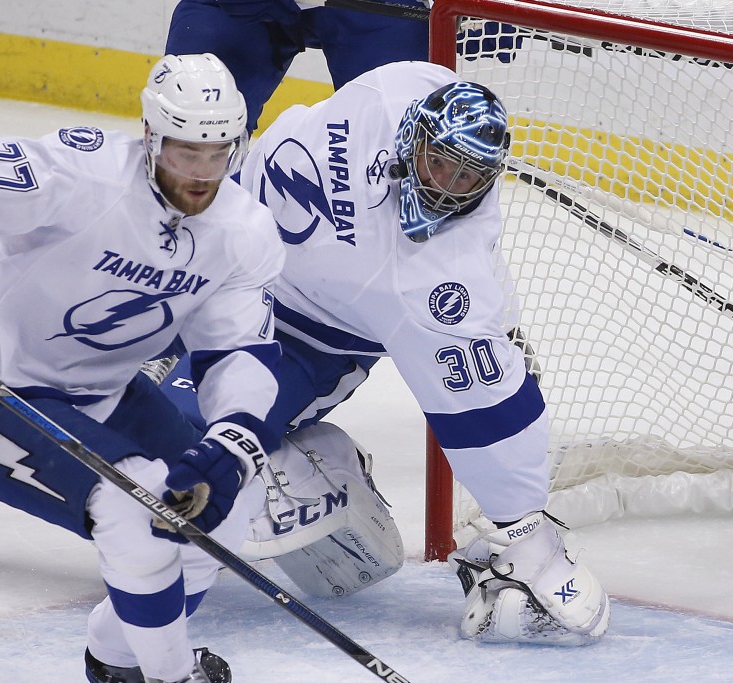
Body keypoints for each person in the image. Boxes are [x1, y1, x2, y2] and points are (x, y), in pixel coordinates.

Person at [158, 59, 612, 645]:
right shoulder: (394, 89)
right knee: (82, 368)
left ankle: (318, 470)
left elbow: (486, 412)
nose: (444, 186)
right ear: (411, 137)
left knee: (171, 457)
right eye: (438, 162)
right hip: (212, 256)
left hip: (301, 338)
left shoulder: (444, 280)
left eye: (466, 178)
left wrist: (525, 532)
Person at [0, 53, 285, 683]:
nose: (203, 174)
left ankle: (120, 660)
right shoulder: (86, 172)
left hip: (106, 391)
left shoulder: (244, 230)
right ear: (151, 136)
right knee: (136, 513)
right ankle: (171, 676)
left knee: (232, 499)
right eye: (187, 153)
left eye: (220, 154)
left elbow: (240, 351)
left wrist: (234, 434)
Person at [165, 0, 524, 133]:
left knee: (395, 147)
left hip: (384, 10)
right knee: (191, 120)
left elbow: (495, 28)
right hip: (242, 8)